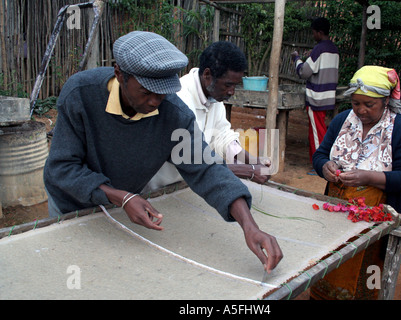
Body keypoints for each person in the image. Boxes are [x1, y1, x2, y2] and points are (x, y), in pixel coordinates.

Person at [43, 31, 282, 273]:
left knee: (107, 274)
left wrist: (249, 225)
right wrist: (121, 196)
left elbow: (207, 169)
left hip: (122, 205)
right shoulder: (80, 95)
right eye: (147, 92)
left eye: (163, 92)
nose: (156, 101)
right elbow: (62, 168)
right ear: (119, 74)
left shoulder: (174, 114)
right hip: (71, 204)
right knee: (73, 270)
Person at [310, 65, 401, 300]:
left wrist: (369, 177)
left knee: (365, 273)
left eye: (368, 104)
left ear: (385, 101)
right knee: (330, 261)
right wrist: (324, 167)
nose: (361, 110)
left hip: (376, 221)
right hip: (335, 212)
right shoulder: (342, 121)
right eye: (355, 103)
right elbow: (320, 154)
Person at [145, 41, 270, 193]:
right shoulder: (179, 100)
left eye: (235, 86)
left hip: (188, 185)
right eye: (228, 85)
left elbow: (223, 136)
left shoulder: (214, 97)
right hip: (159, 190)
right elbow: (191, 159)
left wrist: (253, 161)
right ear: (207, 75)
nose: (232, 92)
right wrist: (247, 170)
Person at [291, 17, 339, 166]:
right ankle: (322, 160)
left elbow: (304, 72)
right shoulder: (333, 49)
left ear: (319, 32)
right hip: (328, 96)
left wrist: (297, 59)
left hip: (316, 98)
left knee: (317, 132)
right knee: (319, 129)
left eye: (313, 33)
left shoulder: (319, 49)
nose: (313, 36)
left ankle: (321, 164)